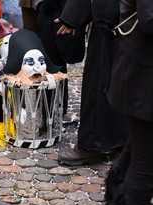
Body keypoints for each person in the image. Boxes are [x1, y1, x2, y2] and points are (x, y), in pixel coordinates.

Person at [99, 0, 153, 205]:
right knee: (146, 164)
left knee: (137, 149)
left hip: (140, 73)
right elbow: (150, 19)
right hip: (143, 77)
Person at [55, 0, 129, 166]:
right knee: (124, 80)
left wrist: (72, 16)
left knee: (101, 78)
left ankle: (93, 143)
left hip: (113, 23)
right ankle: (122, 140)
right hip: (131, 20)